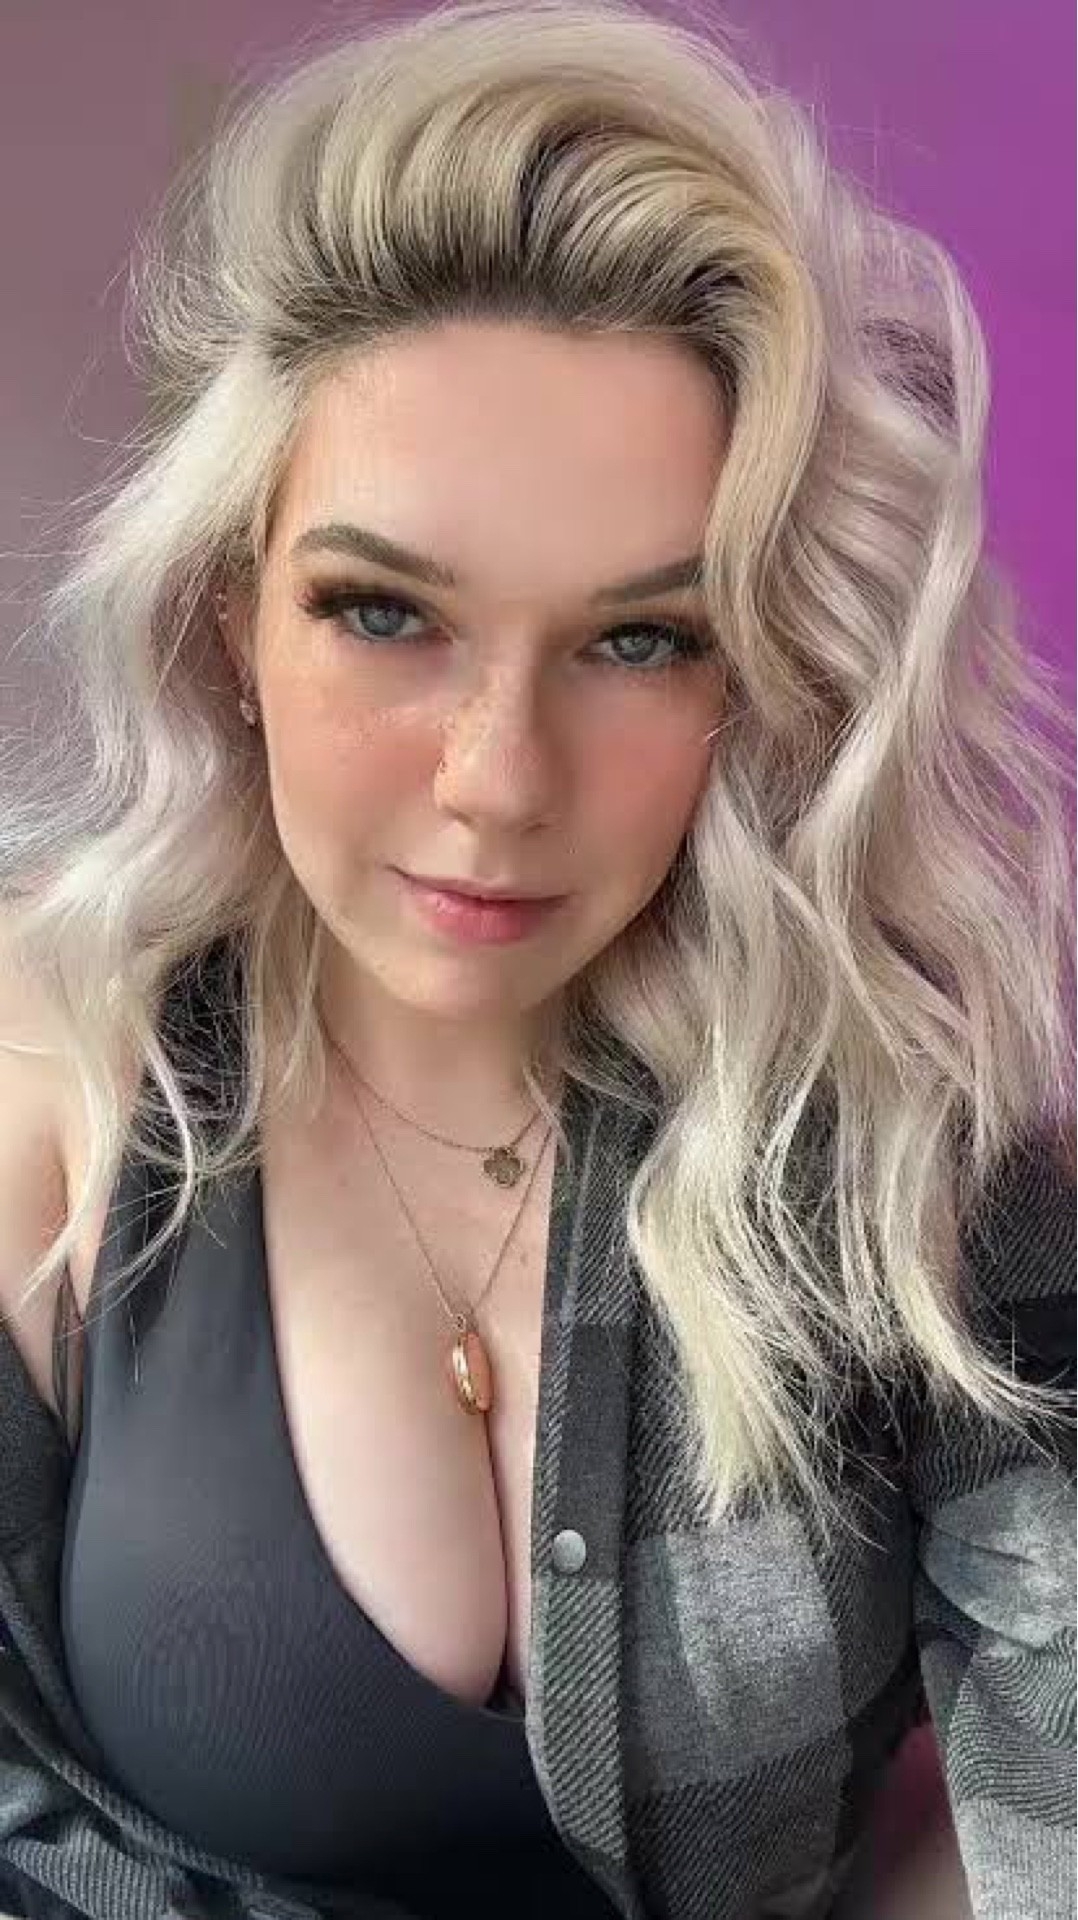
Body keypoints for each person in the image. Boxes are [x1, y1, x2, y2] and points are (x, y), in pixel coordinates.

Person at [0, 2, 1074, 1917]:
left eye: (640, 640)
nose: (498, 781)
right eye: (382, 612)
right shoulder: (54, 1076)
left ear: (761, 668)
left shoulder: (916, 1130)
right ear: (229, 611)